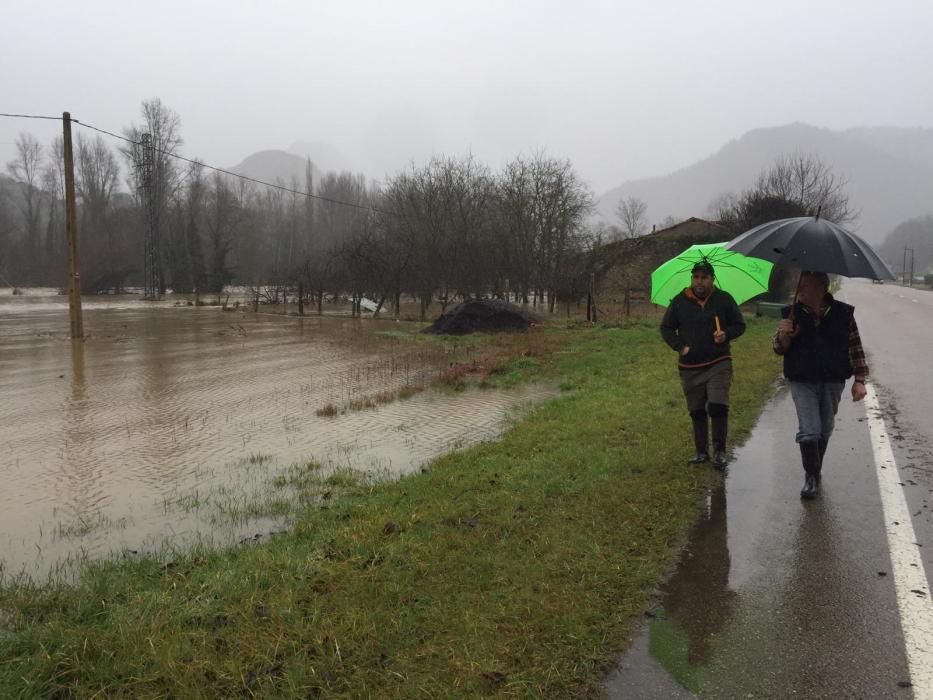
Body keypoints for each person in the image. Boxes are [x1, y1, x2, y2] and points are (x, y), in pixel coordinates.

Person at [773, 270, 868, 499]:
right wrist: (784, 336)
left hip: (833, 380)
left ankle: (815, 467)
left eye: (805, 286)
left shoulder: (844, 314)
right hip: (802, 379)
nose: (800, 290)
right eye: (800, 286)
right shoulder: (792, 314)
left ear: (821, 288)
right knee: (809, 429)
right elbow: (778, 349)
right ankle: (811, 478)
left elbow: (855, 347)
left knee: (824, 428)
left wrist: (860, 380)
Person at [660, 260, 746, 470]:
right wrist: (680, 347)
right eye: (696, 277)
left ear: (712, 279)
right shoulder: (679, 301)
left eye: (704, 277)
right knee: (697, 411)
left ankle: (719, 452)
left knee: (717, 406)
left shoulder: (724, 299)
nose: (699, 281)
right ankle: (701, 452)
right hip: (690, 367)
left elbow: (740, 325)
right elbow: (666, 328)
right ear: (692, 279)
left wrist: (725, 334)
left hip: (719, 362)